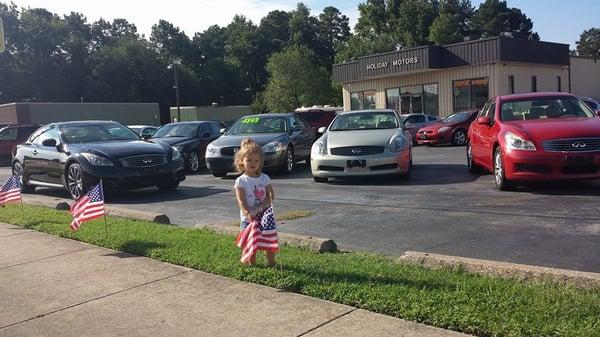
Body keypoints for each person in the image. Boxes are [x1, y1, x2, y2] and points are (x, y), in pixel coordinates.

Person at [234, 138, 276, 266]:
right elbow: (241, 200)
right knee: (250, 242)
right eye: (249, 160)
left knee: (268, 241)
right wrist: (248, 213)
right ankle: (252, 264)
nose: (253, 163)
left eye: (256, 160)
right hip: (248, 219)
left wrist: (264, 205)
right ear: (241, 161)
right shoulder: (241, 181)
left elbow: (271, 195)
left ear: (260, 162)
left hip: (264, 218)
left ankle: (271, 262)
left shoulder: (264, 178)